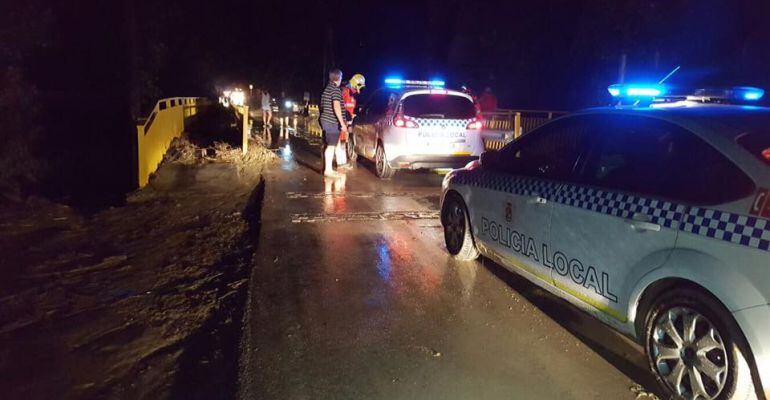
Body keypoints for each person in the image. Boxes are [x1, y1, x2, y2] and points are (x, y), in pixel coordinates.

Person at [319, 68, 349, 178]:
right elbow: (336, 107)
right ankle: (328, 170)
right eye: (341, 77)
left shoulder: (327, 89)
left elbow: (322, 106)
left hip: (326, 120)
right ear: (338, 78)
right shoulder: (336, 90)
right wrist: (342, 123)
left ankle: (330, 168)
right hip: (332, 122)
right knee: (331, 146)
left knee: (332, 145)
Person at [336, 73, 366, 168]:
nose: (359, 91)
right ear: (355, 84)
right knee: (337, 142)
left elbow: (351, 111)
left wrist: (349, 124)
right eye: (359, 88)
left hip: (345, 123)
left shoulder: (353, 97)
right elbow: (339, 107)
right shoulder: (344, 91)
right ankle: (340, 163)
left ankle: (341, 162)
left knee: (343, 142)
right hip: (339, 122)